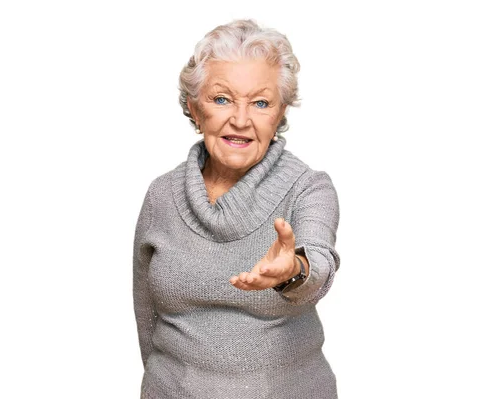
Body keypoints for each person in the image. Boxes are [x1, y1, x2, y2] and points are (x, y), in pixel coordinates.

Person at [133, 19, 340, 398]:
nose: (241, 120)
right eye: (222, 99)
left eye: (260, 103)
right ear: (195, 109)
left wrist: (293, 271)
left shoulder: (309, 188)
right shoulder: (161, 195)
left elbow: (319, 265)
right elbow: (146, 318)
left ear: (279, 115)